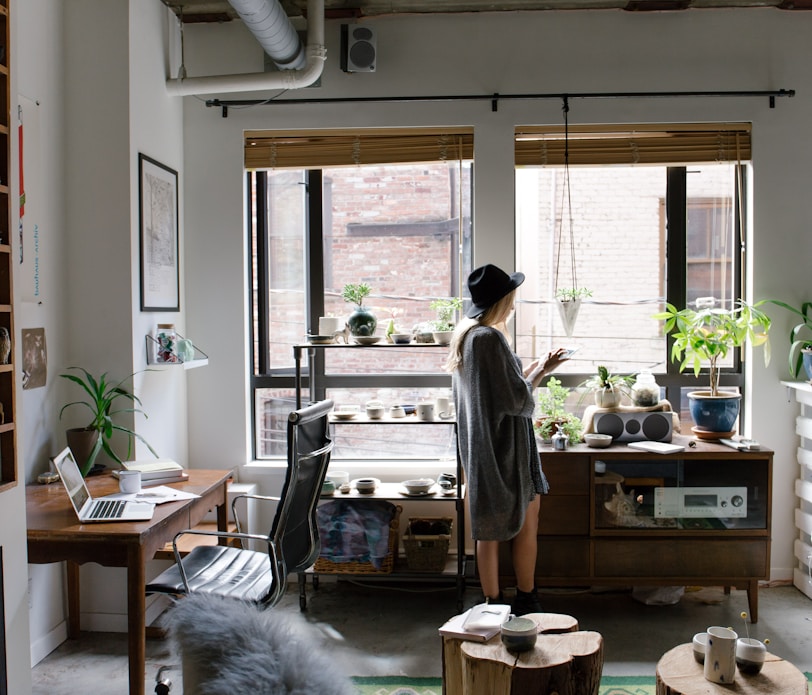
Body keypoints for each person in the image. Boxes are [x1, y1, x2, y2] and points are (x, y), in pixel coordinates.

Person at [445, 264, 567, 615]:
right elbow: (516, 401)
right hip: (507, 452)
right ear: (501, 300)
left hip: (482, 451)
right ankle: (527, 599)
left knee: (486, 529)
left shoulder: (467, 337)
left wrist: (533, 368)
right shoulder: (491, 338)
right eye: (511, 298)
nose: (513, 305)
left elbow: (500, 389)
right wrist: (543, 371)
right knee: (528, 523)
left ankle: (491, 605)